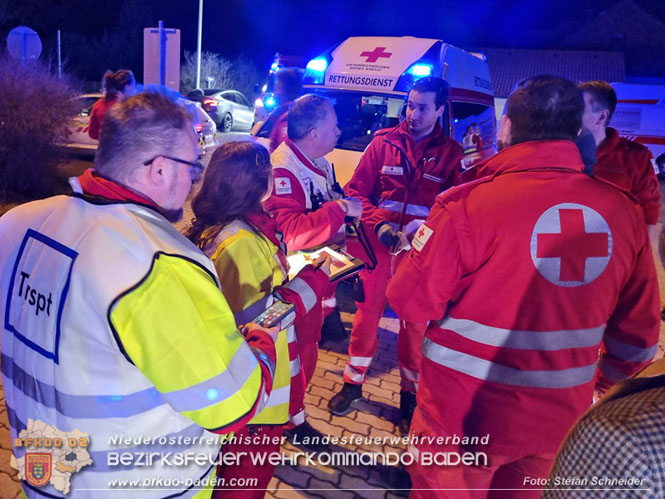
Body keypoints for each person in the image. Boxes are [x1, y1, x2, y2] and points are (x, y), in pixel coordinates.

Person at [386, 75, 660, 498]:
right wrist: (600, 386)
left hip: (461, 420)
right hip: (556, 424)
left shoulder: (467, 205)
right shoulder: (623, 214)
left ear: (508, 127)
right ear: (576, 132)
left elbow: (409, 299)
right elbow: (639, 342)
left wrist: (412, 251)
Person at [0, 91, 279, 498]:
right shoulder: (159, 265)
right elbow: (232, 405)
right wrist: (260, 344)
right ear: (161, 170)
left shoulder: (17, 225)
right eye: (193, 167)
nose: (193, 181)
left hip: (47, 480)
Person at [185, 141, 334, 497]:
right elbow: (261, 320)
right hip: (255, 403)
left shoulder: (227, 227)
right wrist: (311, 282)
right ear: (260, 184)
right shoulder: (241, 241)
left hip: (247, 396)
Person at [328, 77, 463, 436]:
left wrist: (421, 228)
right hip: (377, 247)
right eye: (410, 105)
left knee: (414, 326)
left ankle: (409, 396)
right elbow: (357, 192)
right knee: (365, 318)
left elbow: (454, 206)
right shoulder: (382, 143)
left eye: (422, 107)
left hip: (419, 254)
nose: (413, 113)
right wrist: (380, 225)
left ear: (439, 109)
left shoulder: (452, 154)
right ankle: (353, 384)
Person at [263, 93, 362, 442]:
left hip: (315, 282)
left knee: (307, 352)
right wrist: (340, 211)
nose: (340, 131)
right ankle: (291, 422)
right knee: (296, 357)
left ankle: (294, 414)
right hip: (293, 288)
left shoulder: (317, 161)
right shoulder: (284, 168)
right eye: (334, 126)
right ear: (316, 131)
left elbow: (325, 205)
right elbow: (289, 233)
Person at [544, 358, 665, 498]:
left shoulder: (623, 440)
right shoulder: (624, 439)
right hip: (563, 404)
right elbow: (635, 348)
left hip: (550, 405)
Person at [579, 81, 661, 239]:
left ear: (601, 116)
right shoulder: (559, 151)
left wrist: (639, 258)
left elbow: (649, 213)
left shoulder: (638, 158)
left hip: (611, 252)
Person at [88, 69, 136, 140]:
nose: (135, 88)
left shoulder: (98, 104)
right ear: (127, 87)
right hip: (125, 149)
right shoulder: (127, 107)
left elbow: (93, 133)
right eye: (134, 85)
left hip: (104, 148)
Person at [266, 68, 303, 152]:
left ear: (282, 90)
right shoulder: (292, 114)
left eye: (276, 87)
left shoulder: (287, 118)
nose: (274, 93)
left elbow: (284, 153)